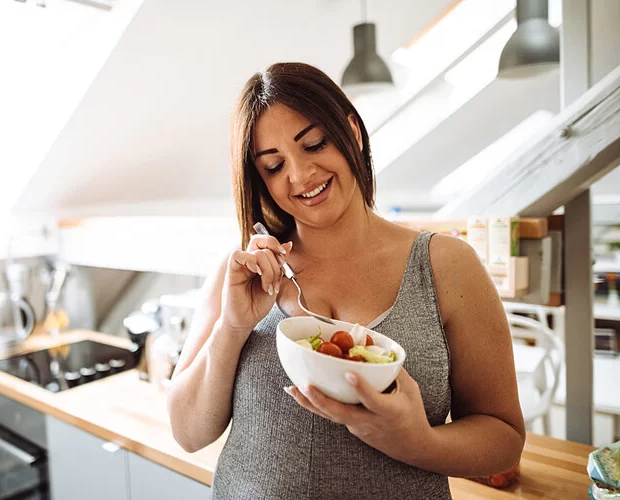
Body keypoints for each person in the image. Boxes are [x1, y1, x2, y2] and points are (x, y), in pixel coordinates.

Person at [166, 62, 525, 499]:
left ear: (352, 131)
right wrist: (234, 327)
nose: (300, 176)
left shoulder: (446, 266)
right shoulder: (242, 274)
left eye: (314, 144)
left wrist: (418, 443)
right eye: (274, 166)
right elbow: (187, 433)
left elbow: (504, 440)